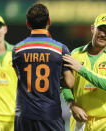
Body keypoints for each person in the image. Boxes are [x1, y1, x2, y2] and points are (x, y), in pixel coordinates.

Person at [12, 3, 75, 131]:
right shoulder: (60, 49)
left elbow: (20, 77)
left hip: (24, 115)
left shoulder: (17, 50)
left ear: (28, 24)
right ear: (49, 21)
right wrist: (55, 79)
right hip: (50, 114)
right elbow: (70, 82)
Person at [62, 13, 106, 131]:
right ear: (93, 29)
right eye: (100, 29)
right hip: (80, 120)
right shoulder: (75, 54)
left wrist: (81, 69)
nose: (102, 34)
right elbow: (65, 84)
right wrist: (72, 105)